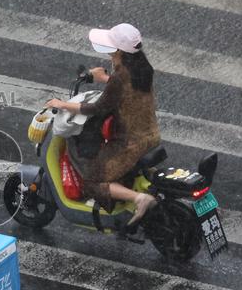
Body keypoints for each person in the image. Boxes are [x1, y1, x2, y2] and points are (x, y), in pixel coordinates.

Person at [45, 22, 160, 225]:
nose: (109, 53)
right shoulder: (144, 69)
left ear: (118, 51)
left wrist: (61, 104)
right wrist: (105, 78)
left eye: (112, 49)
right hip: (150, 135)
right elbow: (128, 93)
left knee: (91, 180)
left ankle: (138, 198)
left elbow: (96, 109)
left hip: (129, 143)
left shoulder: (119, 78)